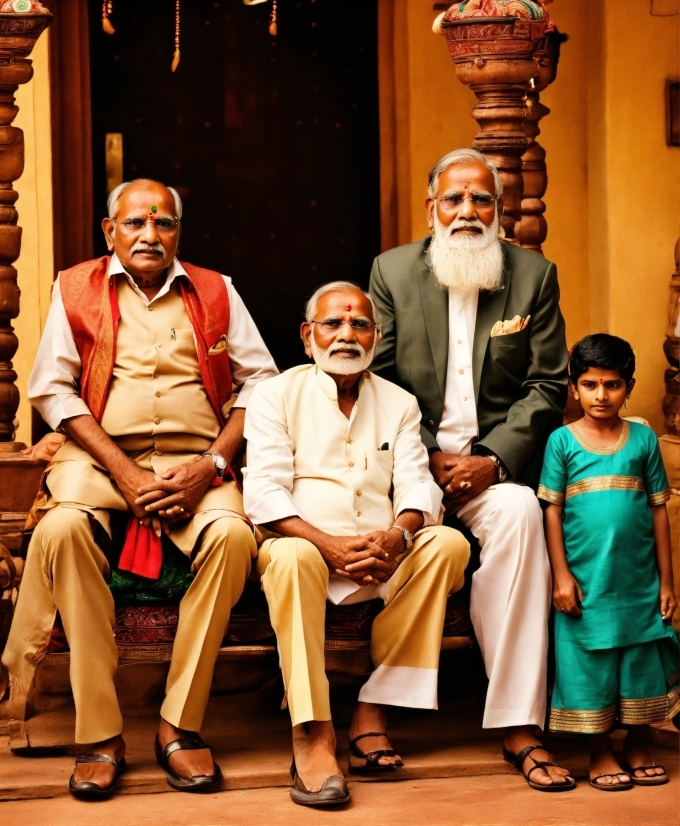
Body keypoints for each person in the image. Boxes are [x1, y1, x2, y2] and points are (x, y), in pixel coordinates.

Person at [2, 179, 278, 797]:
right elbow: (52, 389)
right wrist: (124, 474)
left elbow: (261, 384)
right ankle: (99, 732)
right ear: (110, 231)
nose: (149, 235)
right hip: (101, 458)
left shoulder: (217, 289)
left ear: (179, 231)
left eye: (163, 224)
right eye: (134, 224)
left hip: (197, 462)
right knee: (63, 528)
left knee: (234, 537)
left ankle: (179, 725)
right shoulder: (74, 287)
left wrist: (211, 465)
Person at [369, 148, 574, 790]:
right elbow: (376, 377)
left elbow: (547, 383)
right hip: (409, 462)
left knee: (520, 516)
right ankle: (377, 705)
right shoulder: (393, 272)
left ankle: (518, 722)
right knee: (409, 537)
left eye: (480, 199)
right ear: (431, 206)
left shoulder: (532, 276)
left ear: (499, 209)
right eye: (453, 199)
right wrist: (425, 455)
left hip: (493, 469)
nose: (466, 211)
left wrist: (491, 461)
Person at [243, 281, 470, 807]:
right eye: (333, 324)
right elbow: (264, 492)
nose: (347, 335)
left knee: (447, 545)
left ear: (376, 336)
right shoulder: (275, 395)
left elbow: (417, 486)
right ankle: (314, 732)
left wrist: (397, 536)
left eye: (359, 325)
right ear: (307, 336)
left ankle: (376, 705)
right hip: (301, 545)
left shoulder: (399, 402)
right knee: (294, 555)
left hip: (380, 554)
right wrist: (329, 545)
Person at [539, 333, 679, 791]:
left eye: (613, 385)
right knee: (589, 661)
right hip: (585, 582)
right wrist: (561, 576)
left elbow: (659, 509)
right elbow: (552, 509)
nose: (602, 395)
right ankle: (599, 751)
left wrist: (666, 582)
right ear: (574, 387)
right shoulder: (562, 442)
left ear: (630, 386)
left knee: (641, 658)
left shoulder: (642, 439)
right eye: (591, 384)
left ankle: (638, 744)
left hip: (638, 581)